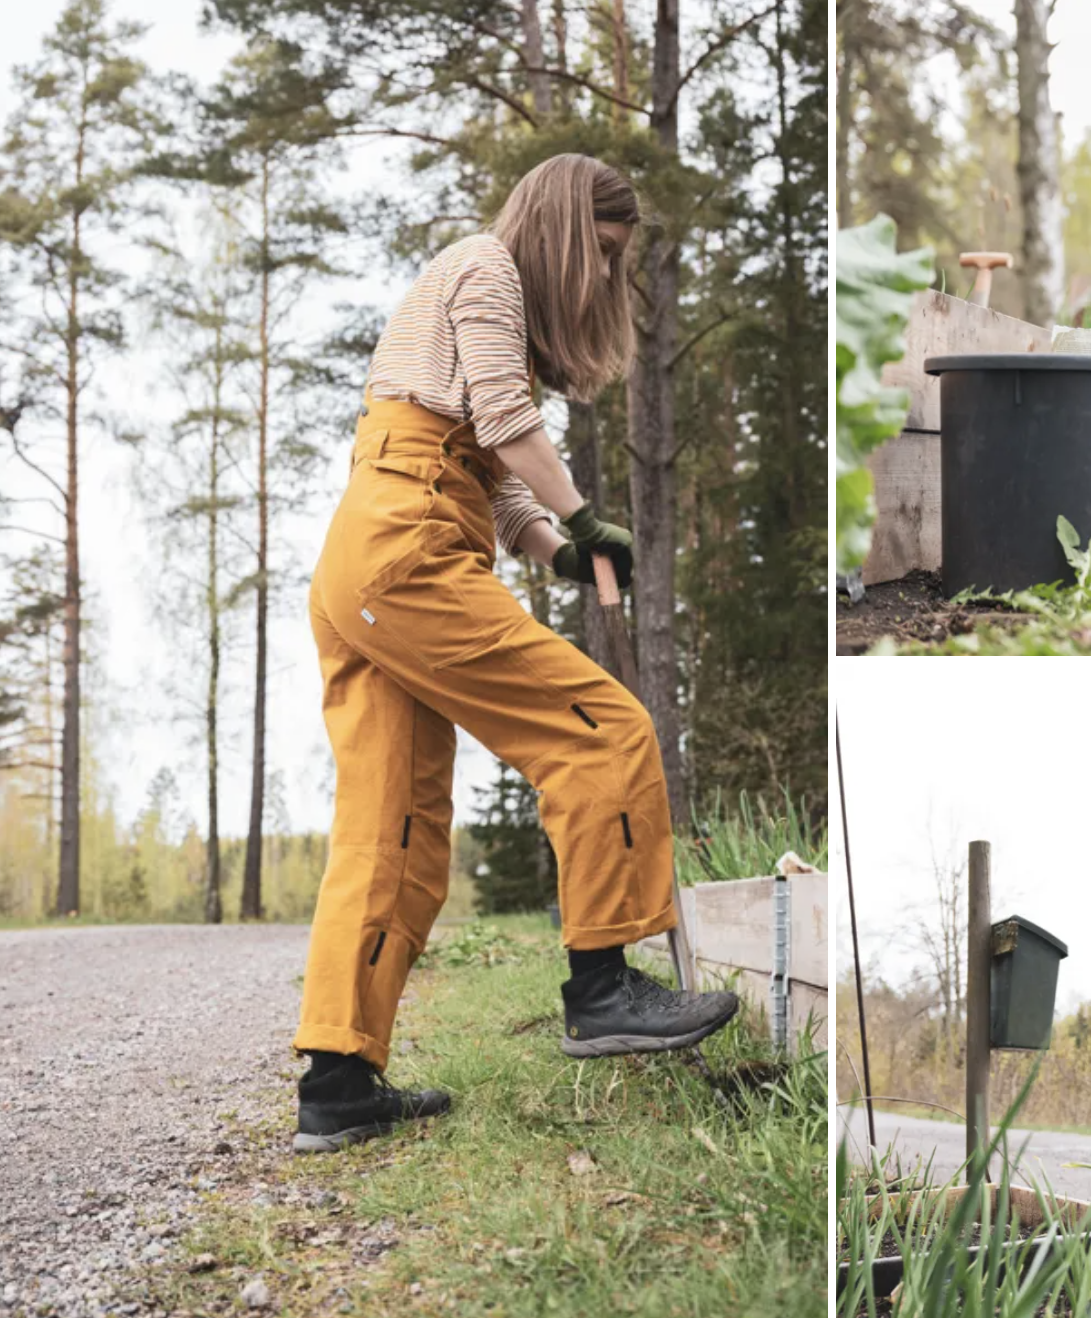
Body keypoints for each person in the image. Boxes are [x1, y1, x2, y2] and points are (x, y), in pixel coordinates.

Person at [291, 154, 738, 1155]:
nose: (609, 277)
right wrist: (586, 521)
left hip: (368, 559)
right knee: (602, 727)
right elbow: (504, 420)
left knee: (390, 827)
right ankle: (603, 987)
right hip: (407, 550)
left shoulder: (467, 288)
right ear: (574, 228)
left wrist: (551, 549)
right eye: (609, 253)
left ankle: (338, 1081)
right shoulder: (487, 267)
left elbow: (486, 470)